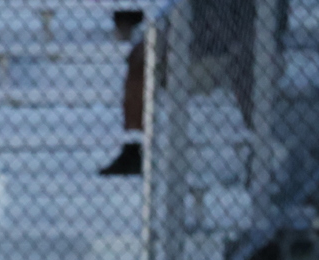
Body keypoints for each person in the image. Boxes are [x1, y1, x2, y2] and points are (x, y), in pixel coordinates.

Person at [99, 0, 265, 176]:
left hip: (229, 54)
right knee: (139, 57)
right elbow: (167, 14)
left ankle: (262, 144)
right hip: (185, 48)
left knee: (250, 62)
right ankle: (134, 148)